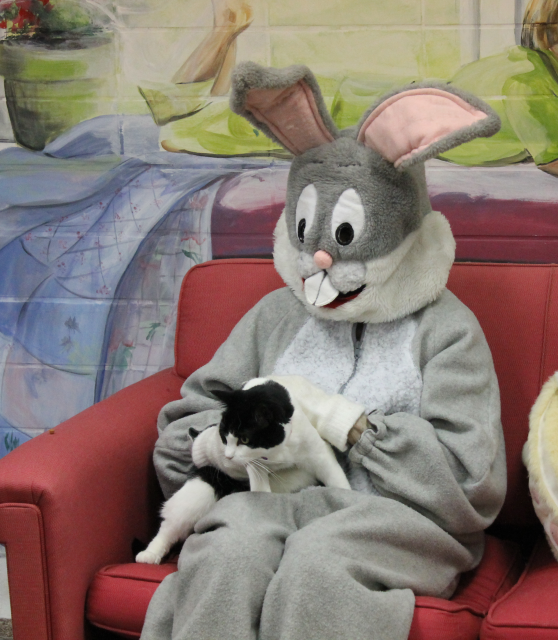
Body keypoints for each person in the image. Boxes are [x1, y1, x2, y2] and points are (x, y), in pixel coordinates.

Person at [140, 63, 507, 640]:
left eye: (341, 239)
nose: (321, 261)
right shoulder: (274, 315)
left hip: (396, 523)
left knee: (316, 568)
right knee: (226, 554)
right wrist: (221, 443)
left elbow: (471, 484)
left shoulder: (448, 329)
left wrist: (350, 425)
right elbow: (181, 438)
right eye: (309, 232)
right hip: (266, 501)